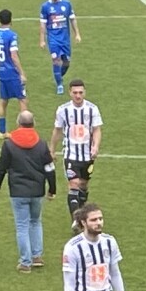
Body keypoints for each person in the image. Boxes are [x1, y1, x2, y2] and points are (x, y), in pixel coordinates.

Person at [0, 110, 57, 273]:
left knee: (22, 226)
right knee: (35, 222)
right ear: (33, 123)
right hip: (37, 191)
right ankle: (37, 256)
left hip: (18, 191)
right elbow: (49, 169)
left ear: (18, 123)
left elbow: (2, 166)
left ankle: (25, 262)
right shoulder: (41, 144)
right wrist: (52, 189)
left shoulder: (9, 144)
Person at [51, 79, 102, 230]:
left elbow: (97, 129)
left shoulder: (92, 109)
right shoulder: (63, 110)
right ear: (70, 93)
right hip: (71, 154)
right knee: (73, 185)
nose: (78, 96)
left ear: (84, 92)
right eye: (75, 93)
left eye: (80, 93)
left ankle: (81, 213)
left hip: (87, 156)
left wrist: (96, 146)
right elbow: (57, 130)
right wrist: (51, 149)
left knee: (83, 186)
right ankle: (77, 220)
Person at [39, 0, 81, 94]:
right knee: (56, 61)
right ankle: (59, 85)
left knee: (66, 63)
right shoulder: (45, 7)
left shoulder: (67, 4)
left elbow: (72, 19)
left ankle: (58, 75)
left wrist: (77, 33)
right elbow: (43, 24)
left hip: (65, 39)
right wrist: (42, 40)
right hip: (53, 40)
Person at [0, 9, 28, 139]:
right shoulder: (12, 35)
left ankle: (2, 131)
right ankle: (24, 131)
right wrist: (21, 73)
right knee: (22, 100)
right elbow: (13, 55)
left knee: (3, 101)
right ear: (11, 20)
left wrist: (0, 65)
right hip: (12, 73)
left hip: (2, 72)